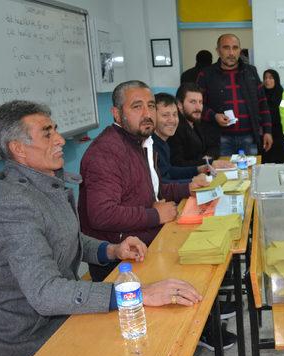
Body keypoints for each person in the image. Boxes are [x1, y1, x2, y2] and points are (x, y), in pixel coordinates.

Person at [0, 100, 201, 356]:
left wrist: (111, 249)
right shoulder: (13, 206)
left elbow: (67, 237)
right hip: (26, 342)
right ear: (18, 149)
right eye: (48, 133)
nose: (60, 139)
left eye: (56, 130)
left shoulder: (43, 183)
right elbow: (46, 293)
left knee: (148, 340)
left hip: (58, 320)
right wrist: (135, 294)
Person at [78, 80, 204, 282]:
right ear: (117, 114)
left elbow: (153, 189)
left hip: (149, 241)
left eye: (151, 106)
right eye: (137, 107)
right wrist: (155, 215)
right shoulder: (106, 153)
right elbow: (102, 215)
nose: (147, 114)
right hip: (121, 265)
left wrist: (187, 188)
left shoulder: (142, 142)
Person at [197, 34, 272, 156]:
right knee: (223, 175)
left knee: (250, 173)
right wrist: (214, 116)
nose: (231, 52)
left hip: (250, 137)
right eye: (226, 48)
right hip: (220, 139)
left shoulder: (251, 71)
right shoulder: (206, 74)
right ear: (218, 50)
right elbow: (197, 106)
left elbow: (262, 103)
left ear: (240, 50)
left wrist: (268, 131)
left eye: (235, 48)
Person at [153, 92, 233, 183]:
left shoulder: (162, 142)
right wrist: (193, 181)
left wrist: (199, 169)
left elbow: (169, 171)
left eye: (175, 114)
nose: (172, 120)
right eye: (165, 115)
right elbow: (161, 185)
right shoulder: (151, 147)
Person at [261, 69, 284, 163]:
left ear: (276, 80)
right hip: (265, 133)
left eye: (270, 78)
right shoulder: (260, 95)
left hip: (280, 134)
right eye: (265, 78)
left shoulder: (282, 95)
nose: (267, 81)